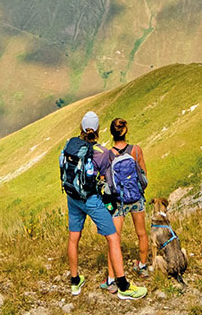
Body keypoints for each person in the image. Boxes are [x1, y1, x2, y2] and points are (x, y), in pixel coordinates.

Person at [61, 111, 146, 300]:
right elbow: (107, 181)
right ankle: (123, 286)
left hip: (73, 197)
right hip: (91, 200)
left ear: (81, 129)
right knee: (113, 238)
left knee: (74, 237)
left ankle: (75, 282)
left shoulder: (70, 144)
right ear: (98, 129)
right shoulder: (102, 152)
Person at [100, 117, 150, 292]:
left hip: (118, 201)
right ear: (126, 131)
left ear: (112, 133)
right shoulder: (136, 150)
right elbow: (144, 175)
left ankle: (111, 279)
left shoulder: (108, 154)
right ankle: (142, 267)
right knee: (142, 233)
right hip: (136, 198)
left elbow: (105, 180)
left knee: (115, 240)